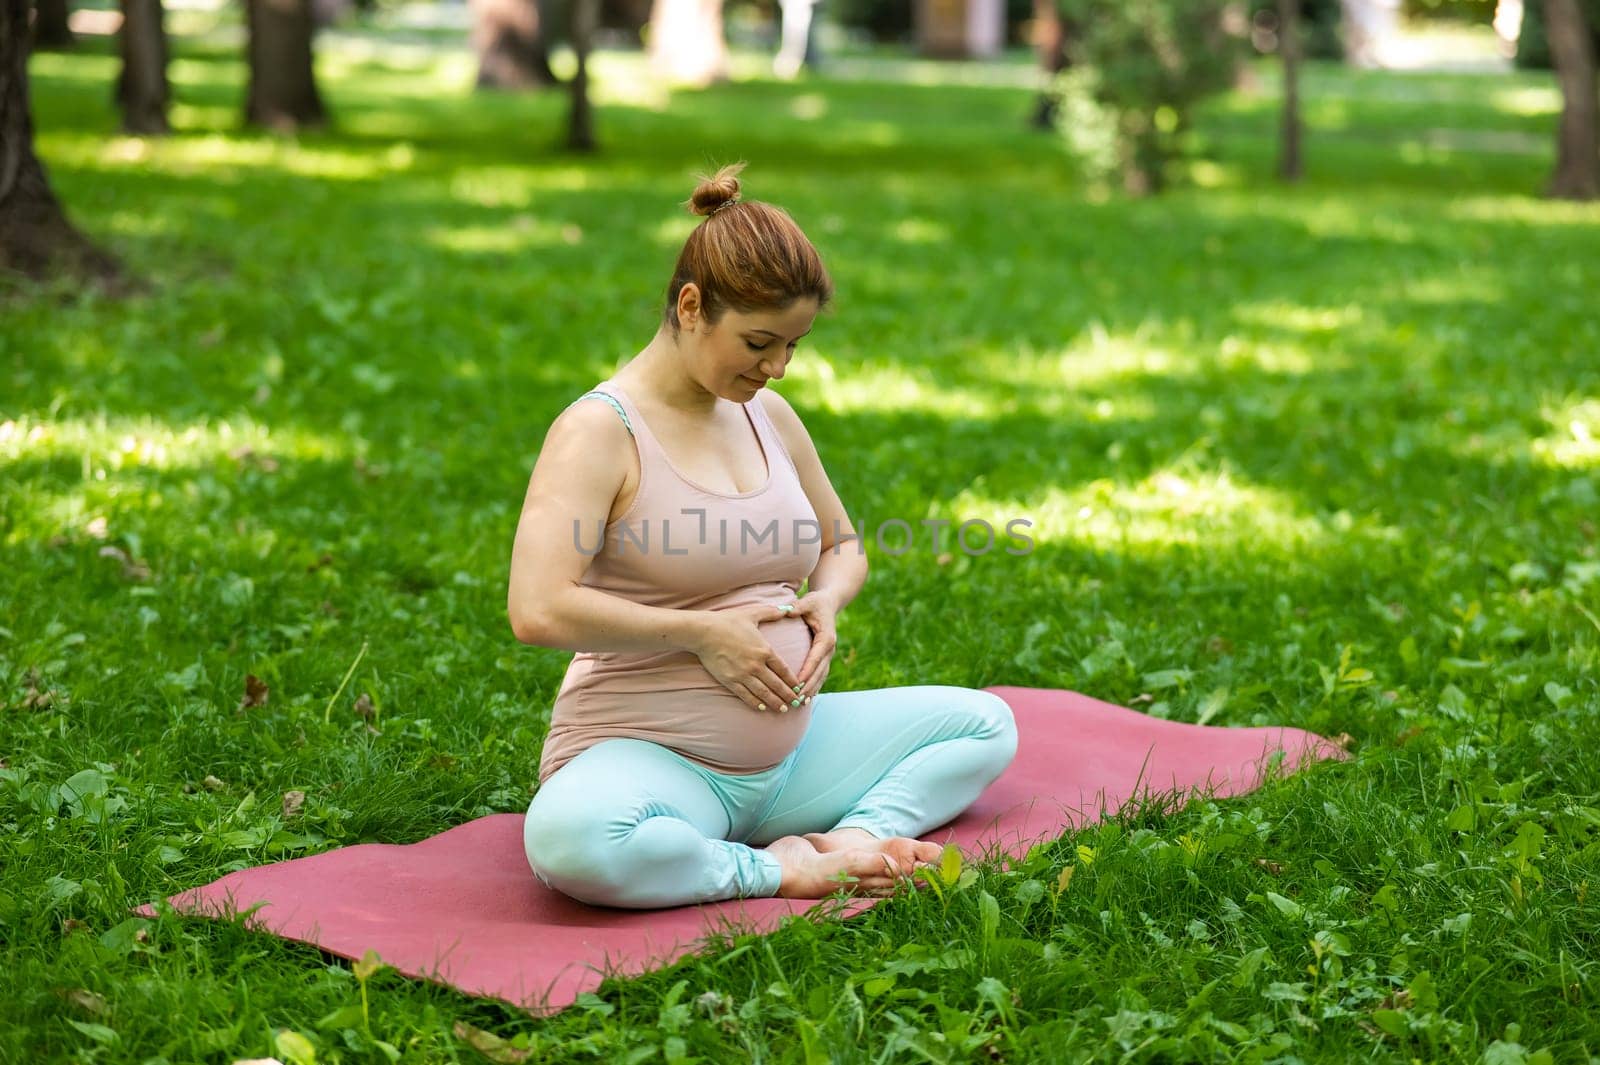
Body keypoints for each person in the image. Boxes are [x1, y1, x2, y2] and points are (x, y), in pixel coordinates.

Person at [507, 162, 1018, 909]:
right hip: (655, 756)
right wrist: (702, 634)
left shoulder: (766, 416)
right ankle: (777, 871)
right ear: (690, 306)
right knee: (573, 840)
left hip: (790, 759)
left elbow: (842, 545)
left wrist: (828, 604)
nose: (776, 367)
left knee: (985, 725)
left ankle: (850, 839)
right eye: (758, 342)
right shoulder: (598, 432)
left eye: (793, 347)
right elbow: (538, 608)